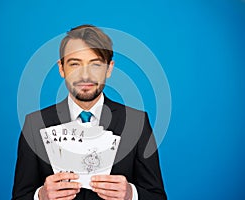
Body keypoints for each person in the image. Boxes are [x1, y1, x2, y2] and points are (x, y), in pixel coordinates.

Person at [12, 24, 167, 200]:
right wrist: (41, 196)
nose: (85, 75)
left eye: (95, 64)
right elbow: (19, 196)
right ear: (62, 68)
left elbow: (158, 196)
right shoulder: (35, 124)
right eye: (75, 64)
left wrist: (131, 194)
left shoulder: (136, 122)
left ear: (109, 69)